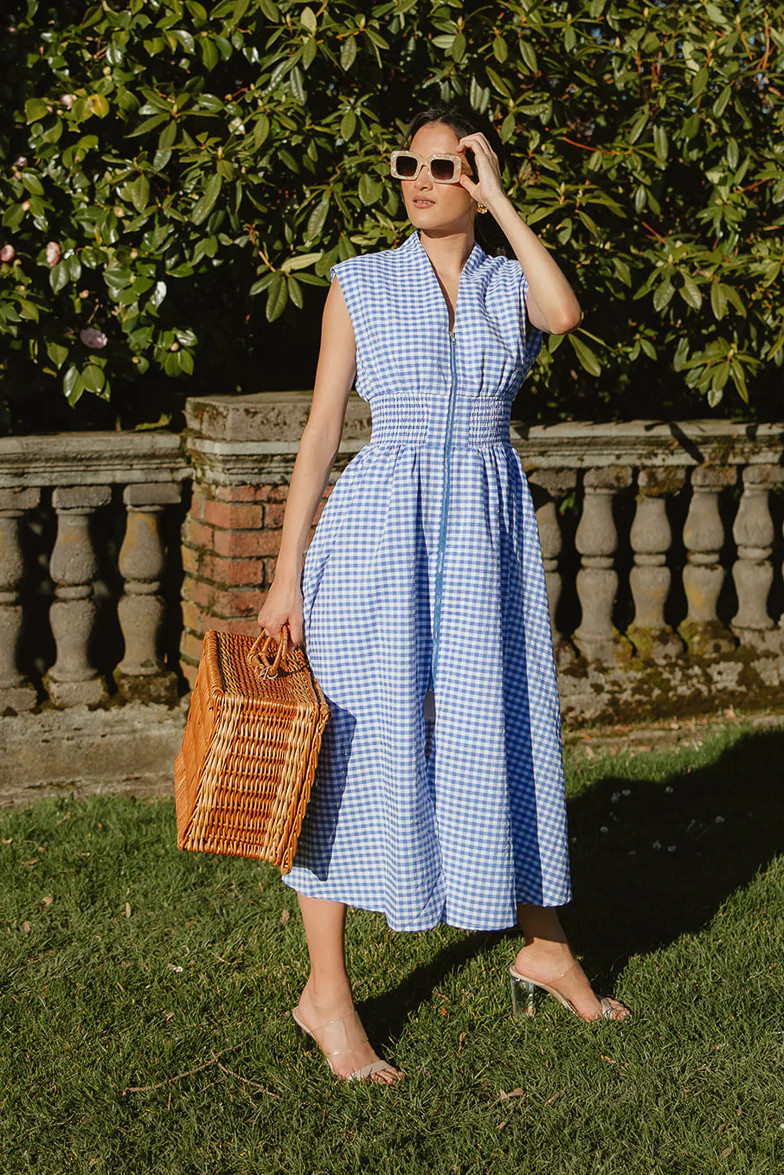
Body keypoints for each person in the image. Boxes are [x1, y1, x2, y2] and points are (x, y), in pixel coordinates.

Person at [257, 103, 631, 1086]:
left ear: (475, 174)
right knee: (357, 744)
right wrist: (286, 575)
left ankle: (542, 943)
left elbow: (566, 315)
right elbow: (320, 435)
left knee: (498, 724)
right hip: (376, 534)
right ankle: (326, 993)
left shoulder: (511, 284)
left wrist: (502, 197)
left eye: (444, 165)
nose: (420, 180)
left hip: (482, 534)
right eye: (407, 165)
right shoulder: (359, 284)